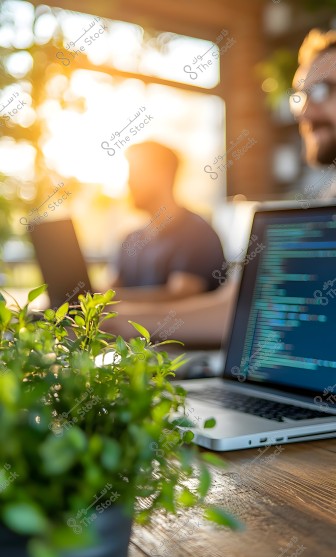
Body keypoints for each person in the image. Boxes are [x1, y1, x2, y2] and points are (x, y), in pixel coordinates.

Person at [105, 28, 336, 346]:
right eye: (300, 96)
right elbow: (242, 308)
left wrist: (118, 320)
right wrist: (112, 320)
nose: (305, 112)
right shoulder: (322, 204)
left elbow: (241, 314)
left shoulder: (195, 232)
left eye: (323, 91)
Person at [111, 141, 226, 302]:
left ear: (162, 175)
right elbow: (112, 286)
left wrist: (109, 300)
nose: (128, 182)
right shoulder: (131, 239)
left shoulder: (197, 233)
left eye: (136, 172)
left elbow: (179, 297)